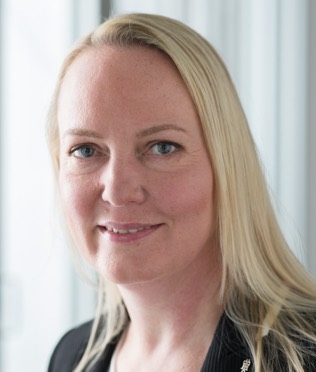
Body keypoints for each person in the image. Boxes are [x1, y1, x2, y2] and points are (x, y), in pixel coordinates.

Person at [47, 13, 316, 372]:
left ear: (226, 165)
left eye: (162, 147)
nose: (117, 191)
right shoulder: (71, 356)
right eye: (85, 150)